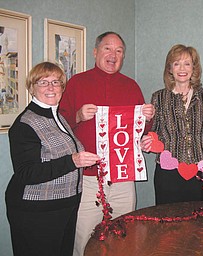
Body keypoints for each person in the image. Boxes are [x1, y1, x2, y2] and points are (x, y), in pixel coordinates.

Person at [59, 31, 154, 255]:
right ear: (95, 52)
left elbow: (139, 133)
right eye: (108, 48)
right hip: (89, 178)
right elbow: (60, 126)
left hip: (122, 176)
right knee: (84, 238)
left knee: (123, 235)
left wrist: (148, 120)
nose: (113, 55)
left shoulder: (131, 86)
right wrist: (78, 116)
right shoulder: (77, 83)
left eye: (119, 51)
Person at [5, 62, 100, 256]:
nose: (51, 87)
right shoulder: (25, 124)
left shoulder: (57, 117)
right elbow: (26, 173)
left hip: (64, 207)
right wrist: (72, 161)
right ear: (32, 87)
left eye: (56, 82)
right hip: (36, 211)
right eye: (43, 82)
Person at [141, 44, 203, 205]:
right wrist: (145, 142)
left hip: (199, 169)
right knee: (168, 222)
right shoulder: (158, 97)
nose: (182, 68)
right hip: (168, 172)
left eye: (187, 63)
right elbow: (154, 132)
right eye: (176, 63)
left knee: (197, 221)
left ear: (194, 68)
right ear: (170, 68)